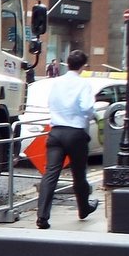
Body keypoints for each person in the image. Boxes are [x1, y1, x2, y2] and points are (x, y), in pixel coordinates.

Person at [35, 49, 99, 230]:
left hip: (56, 132)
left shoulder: (57, 83)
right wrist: (90, 115)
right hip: (75, 133)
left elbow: (51, 102)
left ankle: (42, 216)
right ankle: (83, 208)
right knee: (79, 174)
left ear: (68, 64)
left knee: (50, 175)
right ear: (83, 66)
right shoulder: (83, 85)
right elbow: (87, 108)